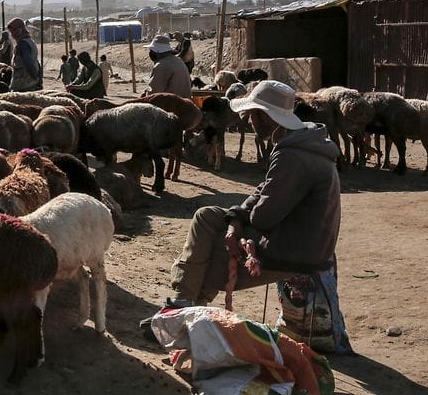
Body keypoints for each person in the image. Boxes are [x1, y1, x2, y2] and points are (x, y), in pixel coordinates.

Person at [141, 81, 340, 333]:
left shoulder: (292, 155)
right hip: (300, 237)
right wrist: (235, 218)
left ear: (264, 116)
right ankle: (185, 309)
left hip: (297, 247)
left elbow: (264, 217)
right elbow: (263, 190)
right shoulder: (296, 143)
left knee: (210, 251)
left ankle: (183, 311)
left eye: (252, 115)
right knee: (206, 216)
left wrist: (237, 225)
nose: (249, 121)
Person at [6, 17, 41, 92]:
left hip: (23, 84)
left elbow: (29, 63)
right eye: (11, 32)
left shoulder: (23, 44)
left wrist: (35, 77)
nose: (12, 34)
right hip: (30, 82)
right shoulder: (29, 41)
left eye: (13, 31)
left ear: (20, 30)